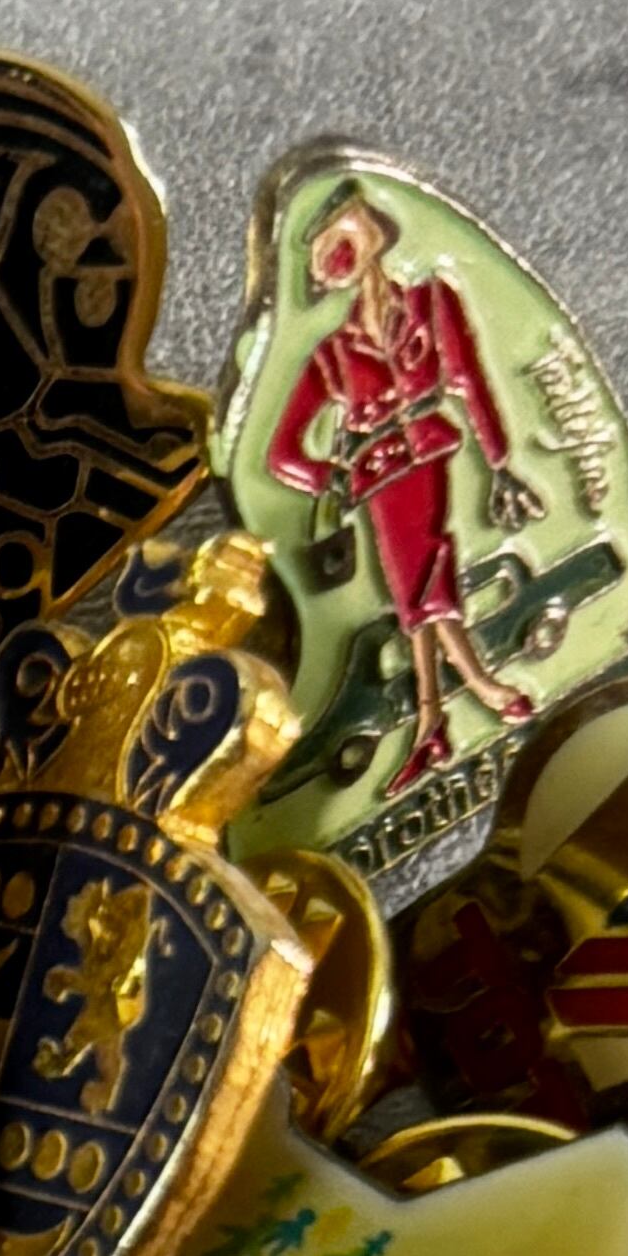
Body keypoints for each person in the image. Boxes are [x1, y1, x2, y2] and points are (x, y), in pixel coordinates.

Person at [259, 185, 544, 798]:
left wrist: (500, 463)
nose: (345, 257)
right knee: (418, 589)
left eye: (349, 239)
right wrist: (331, 479)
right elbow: (280, 454)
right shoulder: (332, 354)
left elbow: (470, 381)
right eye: (334, 249)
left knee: (424, 578)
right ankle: (453, 706)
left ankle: (441, 716)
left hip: (431, 458)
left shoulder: (433, 302)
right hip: (378, 481)